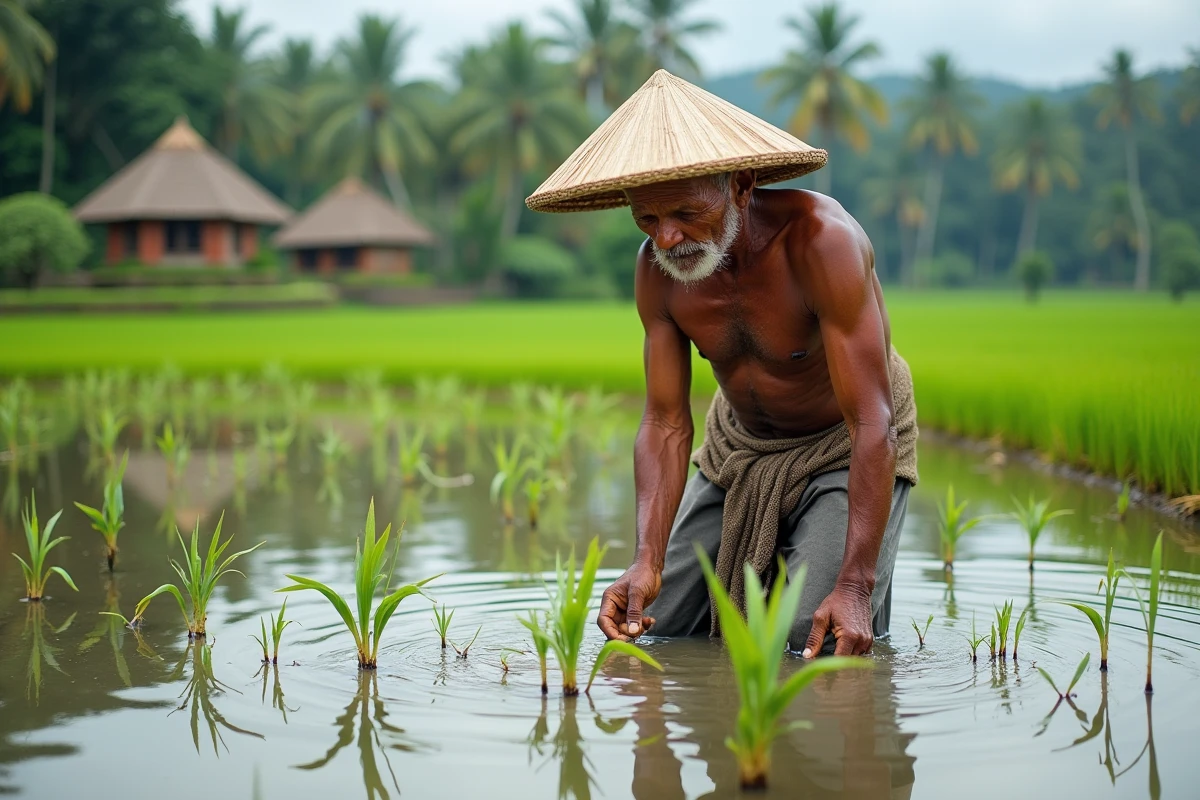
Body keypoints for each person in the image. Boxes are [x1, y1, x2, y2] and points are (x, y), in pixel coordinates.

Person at [526, 70, 918, 657]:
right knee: (649, 625)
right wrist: (644, 560)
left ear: (740, 185)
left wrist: (856, 585)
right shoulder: (656, 272)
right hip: (738, 446)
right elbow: (664, 422)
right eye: (647, 220)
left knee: (813, 638)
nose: (666, 239)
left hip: (843, 441)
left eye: (684, 212)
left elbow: (871, 421)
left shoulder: (820, 244)